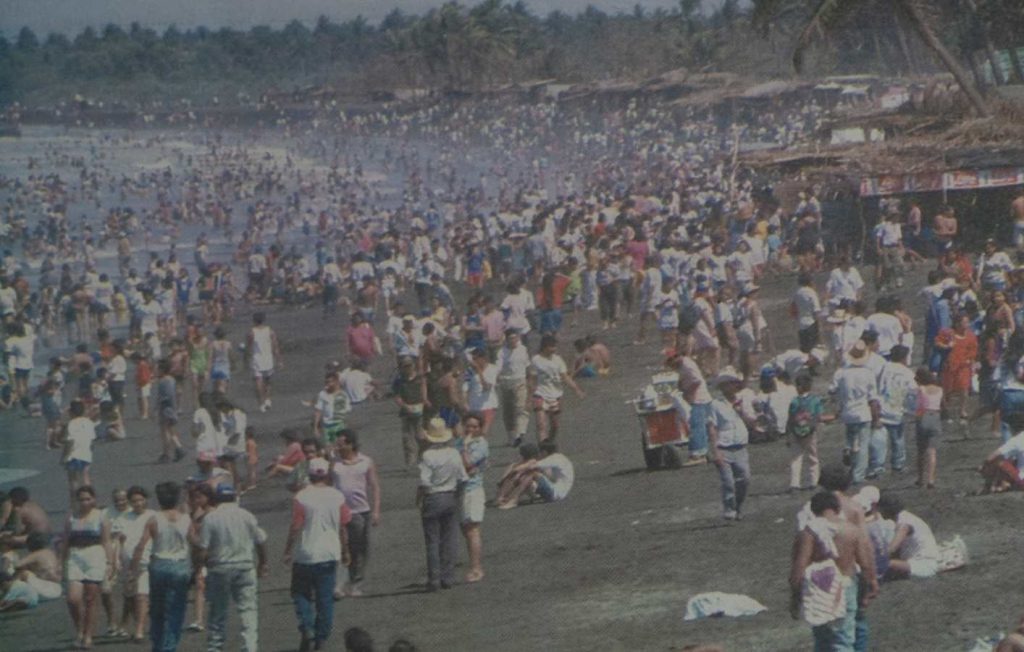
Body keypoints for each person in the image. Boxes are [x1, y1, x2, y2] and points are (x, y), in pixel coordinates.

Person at [789, 492, 878, 651]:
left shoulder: (810, 532)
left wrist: (795, 597)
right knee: (843, 639)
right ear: (838, 509)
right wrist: (870, 585)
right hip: (847, 585)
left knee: (824, 639)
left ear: (813, 510)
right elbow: (865, 564)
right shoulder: (852, 530)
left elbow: (799, 568)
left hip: (820, 589)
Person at [283, 458, 351, 652]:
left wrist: (288, 550)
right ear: (327, 474)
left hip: (305, 553)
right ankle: (321, 637)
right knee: (325, 599)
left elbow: (295, 526)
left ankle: (307, 626)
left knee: (300, 594)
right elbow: (343, 525)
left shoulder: (301, 497)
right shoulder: (337, 496)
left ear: (310, 475)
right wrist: (346, 551)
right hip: (329, 553)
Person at [197, 484, 268, 652]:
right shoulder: (246, 515)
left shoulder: (211, 518)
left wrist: (200, 567)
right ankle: (250, 647)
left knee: (218, 612)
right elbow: (260, 540)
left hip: (219, 567)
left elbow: (203, 549)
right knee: (248, 609)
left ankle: (215, 647)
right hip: (244, 565)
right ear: (234, 497)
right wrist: (263, 562)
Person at [129, 482, 192, 652]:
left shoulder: (154, 519)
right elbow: (195, 543)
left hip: (159, 565)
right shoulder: (186, 518)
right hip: (180, 565)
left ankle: (157, 645)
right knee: (175, 611)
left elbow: (141, 545)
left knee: (157, 609)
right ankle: (169, 647)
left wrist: (132, 571)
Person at [416, 418, 468, 591]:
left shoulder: (427, 455)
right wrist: (457, 495)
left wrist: (419, 498)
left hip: (433, 497)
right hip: (451, 495)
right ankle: (448, 576)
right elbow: (463, 478)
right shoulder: (454, 453)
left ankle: (434, 579)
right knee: (449, 538)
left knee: (432, 541)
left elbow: (424, 481)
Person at [62, 485, 115, 650]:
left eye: (87, 499)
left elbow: (106, 541)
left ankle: (88, 635)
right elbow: (66, 541)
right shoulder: (72, 518)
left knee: (91, 598)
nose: (84, 502)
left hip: (95, 555)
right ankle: (80, 629)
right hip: (76, 556)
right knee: (73, 598)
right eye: (81, 499)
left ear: (93, 499)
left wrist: (110, 562)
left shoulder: (100, 517)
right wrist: (60, 562)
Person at [332, 430, 381, 598]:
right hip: (339, 511)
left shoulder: (365, 462)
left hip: (361, 511)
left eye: (341, 444)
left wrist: (376, 511)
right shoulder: (334, 463)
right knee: (340, 547)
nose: (337, 447)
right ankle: (338, 585)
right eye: (337, 444)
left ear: (351, 444)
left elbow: (374, 486)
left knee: (359, 549)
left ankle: (356, 583)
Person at [829, 341, 881, 485]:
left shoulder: (841, 373)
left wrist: (838, 401)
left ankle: (850, 458)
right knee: (863, 445)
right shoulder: (868, 373)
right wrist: (876, 417)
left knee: (851, 440)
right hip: (863, 412)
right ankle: (858, 475)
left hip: (847, 412)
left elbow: (831, 390)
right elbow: (873, 399)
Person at [708, 368, 751, 520]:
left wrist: (742, 412)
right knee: (728, 481)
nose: (732, 387)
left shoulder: (743, 400)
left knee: (744, 479)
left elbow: (750, 422)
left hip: (740, 447)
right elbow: (712, 427)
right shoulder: (715, 405)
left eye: (733, 383)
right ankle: (729, 509)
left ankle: (738, 506)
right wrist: (715, 451)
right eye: (728, 384)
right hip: (724, 447)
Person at [870, 345, 916, 477]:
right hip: (897, 409)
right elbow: (912, 391)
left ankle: (877, 466)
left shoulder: (884, 367)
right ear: (903, 357)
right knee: (897, 439)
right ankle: (898, 464)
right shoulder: (907, 373)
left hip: (881, 407)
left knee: (879, 441)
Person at [528, 334, 585, 442]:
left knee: (555, 425)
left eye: (555, 346)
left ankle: (550, 443)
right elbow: (531, 379)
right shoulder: (536, 360)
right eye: (552, 346)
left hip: (555, 395)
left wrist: (576, 389)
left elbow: (565, 377)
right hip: (540, 393)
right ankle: (543, 448)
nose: (554, 349)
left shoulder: (558, 360)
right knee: (541, 424)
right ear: (545, 347)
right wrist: (529, 398)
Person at [118, 486, 155, 642]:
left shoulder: (153, 516)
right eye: (134, 501)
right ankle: (124, 624)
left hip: (146, 562)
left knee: (142, 595)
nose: (138, 503)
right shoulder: (123, 518)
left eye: (140, 500)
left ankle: (139, 630)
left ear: (145, 500)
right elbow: (118, 541)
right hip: (126, 563)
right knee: (130, 596)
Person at [877, 493, 940, 580]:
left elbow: (892, 549)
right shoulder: (904, 517)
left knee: (885, 563)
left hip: (924, 564)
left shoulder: (904, 524)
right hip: (916, 559)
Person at [458, 413, 489, 583]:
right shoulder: (458, 443)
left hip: (473, 490)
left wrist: (463, 447)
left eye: (474, 426)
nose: (470, 429)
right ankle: (474, 564)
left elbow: (467, 464)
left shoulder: (481, 444)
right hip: (460, 490)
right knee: (465, 529)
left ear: (480, 428)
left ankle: (476, 568)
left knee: (472, 529)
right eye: (468, 426)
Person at [787, 374, 825, 492]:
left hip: (795, 431)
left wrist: (788, 433)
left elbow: (791, 418)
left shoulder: (794, 401)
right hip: (810, 432)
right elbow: (818, 416)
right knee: (813, 457)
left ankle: (795, 484)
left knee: (796, 458)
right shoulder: (815, 400)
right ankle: (813, 481)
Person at [497, 329, 531, 447]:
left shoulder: (523, 350)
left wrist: (529, 381)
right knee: (508, 411)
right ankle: (511, 437)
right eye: (510, 338)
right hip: (506, 381)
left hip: (520, 380)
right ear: (506, 339)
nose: (513, 341)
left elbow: (527, 366)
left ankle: (520, 434)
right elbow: (498, 366)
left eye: (515, 338)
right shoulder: (502, 352)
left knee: (520, 407)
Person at [62, 399, 96, 504]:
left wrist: (64, 456)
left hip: (73, 455)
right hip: (86, 453)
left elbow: (69, 442)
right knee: (86, 477)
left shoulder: (71, 424)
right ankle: (90, 499)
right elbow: (92, 439)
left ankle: (75, 502)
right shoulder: (89, 422)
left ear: (71, 412)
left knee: (73, 480)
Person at [247, 312, 281, 412]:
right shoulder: (270, 331)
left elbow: (248, 348)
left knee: (258, 381)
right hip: (268, 358)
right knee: (268, 381)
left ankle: (261, 403)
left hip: (257, 359)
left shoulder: (251, 332)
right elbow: (275, 346)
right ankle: (268, 399)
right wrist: (279, 360)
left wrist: (246, 359)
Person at [792, 273, 823, 353]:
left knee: (804, 349)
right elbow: (816, 310)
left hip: (800, 324)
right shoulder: (811, 293)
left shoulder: (797, 293)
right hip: (811, 323)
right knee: (813, 349)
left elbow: (793, 309)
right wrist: (819, 327)